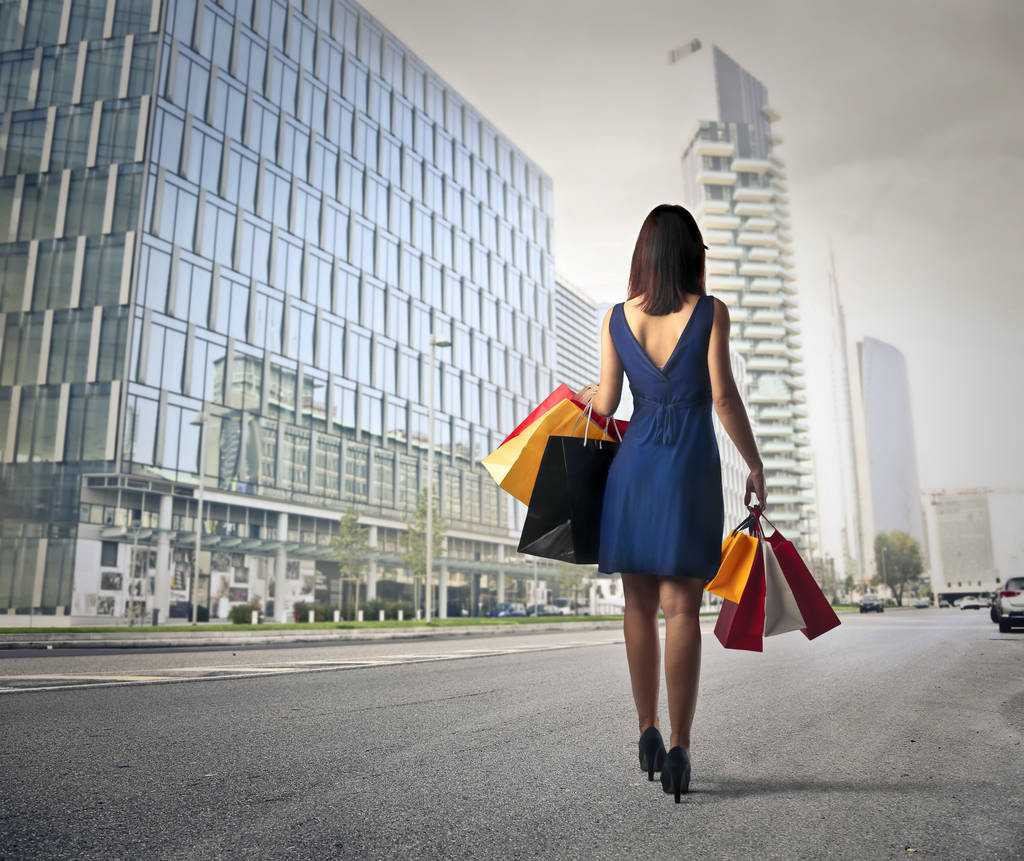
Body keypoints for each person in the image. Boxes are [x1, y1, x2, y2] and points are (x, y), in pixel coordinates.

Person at [574, 203, 765, 802]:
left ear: (643, 257)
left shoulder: (614, 318)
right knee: (683, 610)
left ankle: (646, 732)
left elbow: (604, 403)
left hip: (632, 474)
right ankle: (681, 745)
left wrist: (575, 394)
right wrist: (755, 464)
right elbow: (724, 397)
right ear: (691, 256)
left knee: (637, 607)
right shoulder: (710, 313)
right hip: (687, 469)